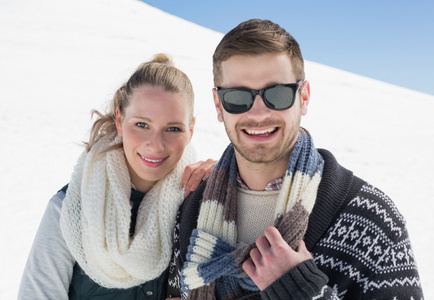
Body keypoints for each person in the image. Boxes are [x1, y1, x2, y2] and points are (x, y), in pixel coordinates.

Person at [167, 19, 424, 299]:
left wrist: (301, 290)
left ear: (304, 97)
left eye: (277, 94)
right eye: (238, 98)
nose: (258, 113)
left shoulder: (370, 219)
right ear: (219, 106)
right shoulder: (191, 211)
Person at [18, 54, 216, 300]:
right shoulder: (70, 209)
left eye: (173, 128)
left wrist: (227, 183)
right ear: (120, 120)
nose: (155, 145)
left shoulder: (201, 203)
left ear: (191, 130)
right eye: (142, 124)